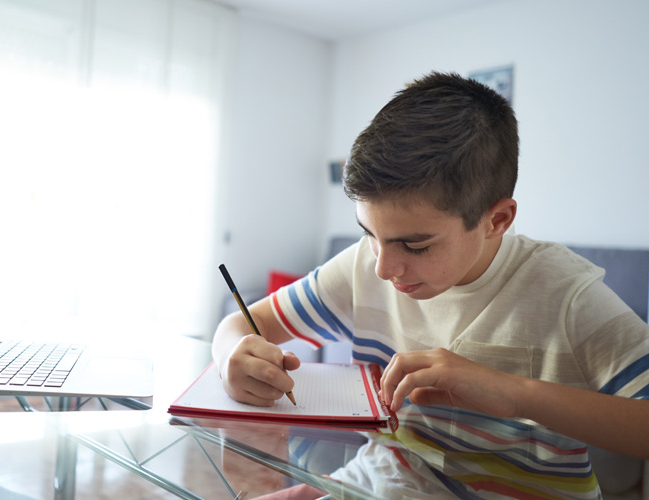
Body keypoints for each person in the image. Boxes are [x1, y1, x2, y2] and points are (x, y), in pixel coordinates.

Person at [212, 71, 649, 460]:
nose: (383, 268)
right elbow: (244, 323)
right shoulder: (364, 265)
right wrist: (234, 355)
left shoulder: (565, 292)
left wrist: (514, 394)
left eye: (415, 245)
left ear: (496, 220)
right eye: (369, 233)